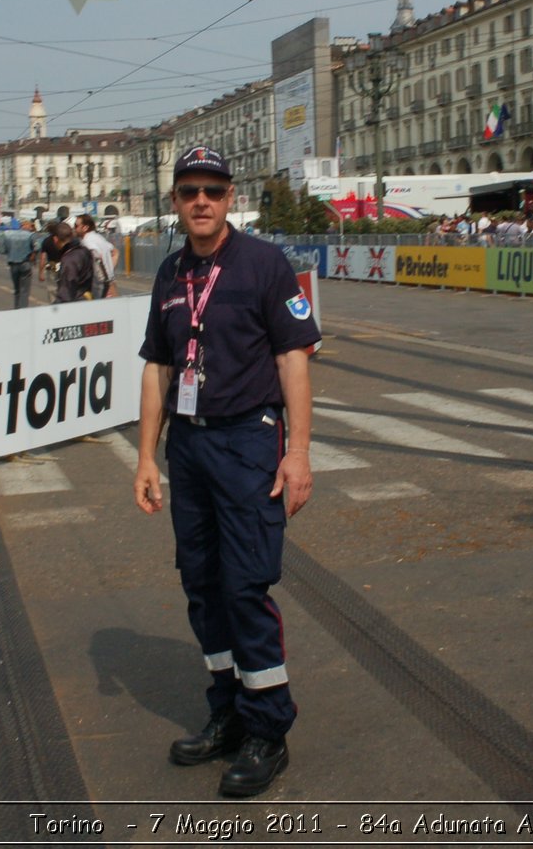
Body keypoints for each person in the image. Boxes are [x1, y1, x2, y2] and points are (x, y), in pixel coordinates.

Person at [134, 145, 318, 798]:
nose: (202, 201)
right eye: (190, 191)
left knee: (244, 587)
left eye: (213, 189)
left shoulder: (264, 265)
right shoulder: (168, 273)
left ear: (230, 196)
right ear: (177, 201)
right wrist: (145, 458)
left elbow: (295, 358)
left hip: (248, 442)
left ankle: (268, 728)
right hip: (189, 446)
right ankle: (229, 713)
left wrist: (297, 452)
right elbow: (157, 368)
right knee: (203, 585)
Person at [75, 213, 119, 298]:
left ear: (85, 228)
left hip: (99, 286)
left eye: (76, 226)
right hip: (109, 281)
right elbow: (115, 252)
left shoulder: (87, 243)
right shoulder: (98, 237)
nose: (74, 229)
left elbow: (97, 258)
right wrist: (109, 270)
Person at [51, 222, 96, 303]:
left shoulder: (69, 259)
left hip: (76, 303)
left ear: (55, 239)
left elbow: (66, 291)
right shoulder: (84, 250)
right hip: (87, 299)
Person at [1, 219, 39, 309]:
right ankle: (22, 310)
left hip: (13, 264)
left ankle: (17, 308)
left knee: (17, 289)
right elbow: (37, 247)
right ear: (28, 226)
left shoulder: (9, 235)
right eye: (31, 226)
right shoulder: (30, 235)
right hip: (25, 263)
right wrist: (33, 257)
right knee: (24, 290)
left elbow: (5, 249)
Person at [36, 221, 67, 302]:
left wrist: (41, 273)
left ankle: (54, 307)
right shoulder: (63, 240)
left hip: (52, 267)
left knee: (52, 290)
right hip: (64, 267)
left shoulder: (46, 241)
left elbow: (43, 258)